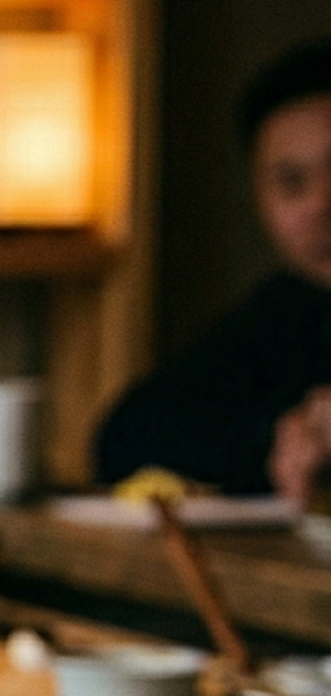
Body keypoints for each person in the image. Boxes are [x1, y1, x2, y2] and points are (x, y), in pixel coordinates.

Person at [98, 39, 331, 499]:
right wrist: (283, 438)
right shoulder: (289, 309)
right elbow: (127, 437)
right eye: (291, 183)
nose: (322, 205)